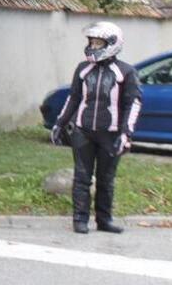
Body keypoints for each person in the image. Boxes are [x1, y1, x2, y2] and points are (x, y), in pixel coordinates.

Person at [50, 21, 142, 234]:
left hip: (110, 134)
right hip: (83, 131)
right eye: (91, 41)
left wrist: (126, 133)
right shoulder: (83, 69)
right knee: (81, 176)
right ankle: (80, 220)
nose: (93, 45)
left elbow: (133, 103)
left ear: (112, 44)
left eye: (98, 42)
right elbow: (73, 98)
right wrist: (59, 123)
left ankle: (104, 220)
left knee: (106, 178)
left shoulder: (126, 72)